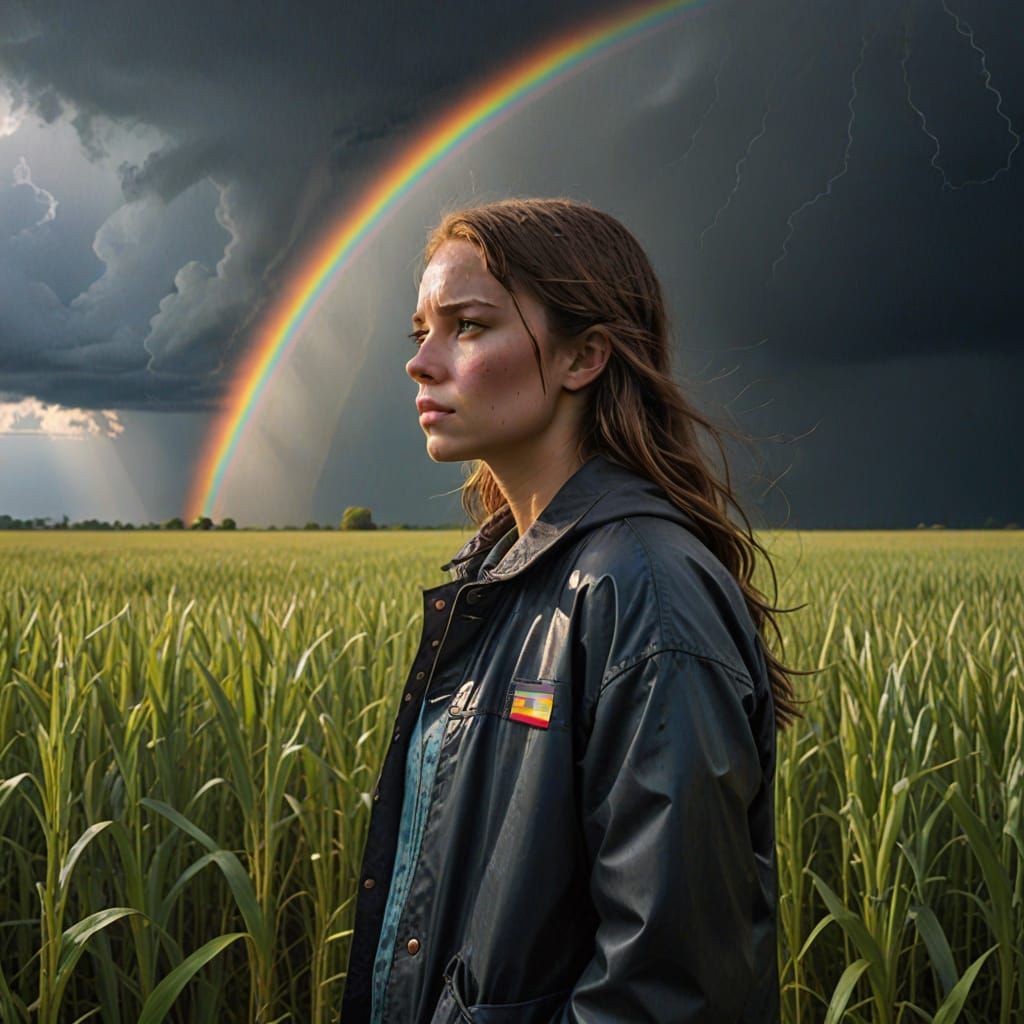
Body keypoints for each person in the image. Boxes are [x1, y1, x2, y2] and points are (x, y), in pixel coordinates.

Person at [340, 197, 805, 1024]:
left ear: (584, 355)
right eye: (421, 332)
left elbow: (668, 992)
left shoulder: (645, 596)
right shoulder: (507, 578)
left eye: (469, 326)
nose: (421, 362)